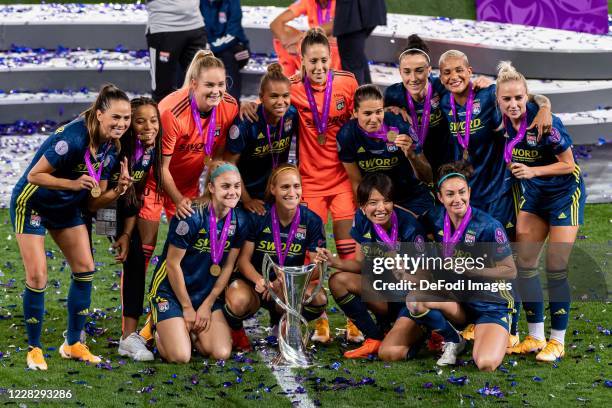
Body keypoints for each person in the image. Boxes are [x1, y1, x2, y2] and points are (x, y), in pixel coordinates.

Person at [241, 29, 361, 343]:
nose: (319, 67)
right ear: (302, 62)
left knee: (347, 251)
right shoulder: (291, 88)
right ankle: (318, 319)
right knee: (313, 257)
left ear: (331, 58)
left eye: (323, 60)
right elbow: (267, 104)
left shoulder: (347, 83)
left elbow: (363, 116)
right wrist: (247, 106)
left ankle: (354, 319)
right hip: (310, 183)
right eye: (312, 61)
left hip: (342, 182)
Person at [12, 85, 130, 370]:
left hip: (67, 207)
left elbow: (92, 203)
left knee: (85, 269)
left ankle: (73, 343)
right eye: (116, 117)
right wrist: (73, 184)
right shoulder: (73, 137)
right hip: (33, 204)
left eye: (126, 118)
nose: (122, 124)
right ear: (100, 114)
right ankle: (34, 348)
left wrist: (117, 191)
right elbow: (34, 175)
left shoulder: (111, 148)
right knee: (38, 275)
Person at [437, 49, 552, 343]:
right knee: (478, 260)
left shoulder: (488, 95)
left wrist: (545, 106)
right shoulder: (445, 103)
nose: (454, 77)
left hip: (500, 189)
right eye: (447, 72)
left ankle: (515, 328)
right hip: (470, 194)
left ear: (470, 70)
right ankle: (486, 319)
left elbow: (526, 97)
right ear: (440, 77)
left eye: (459, 70)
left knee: (510, 261)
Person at [495, 62, 586, 362]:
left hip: (564, 195)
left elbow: (568, 164)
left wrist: (533, 172)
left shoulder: (545, 121)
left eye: (518, 98)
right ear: (498, 100)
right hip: (534, 197)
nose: (513, 104)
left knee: (556, 266)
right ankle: (535, 336)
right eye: (506, 99)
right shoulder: (501, 119)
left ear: (527, 97)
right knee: (525, 263)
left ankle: (557, 341)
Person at [138, 50, 239, 284]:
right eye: (209, 84)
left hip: (188, 186)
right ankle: (130, 315)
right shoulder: (171, 111)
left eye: (221, 84)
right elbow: (160, 166)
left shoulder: (230, 106)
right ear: (194, 84)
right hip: (154, 182)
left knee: (187, 252)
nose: (217, 90)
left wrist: (207, 192)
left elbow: (219, 156)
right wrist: (177, 199)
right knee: (144, 250)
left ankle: (173, 307)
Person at [416, 162, 517, 370]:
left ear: (469, 192)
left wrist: (470, 268)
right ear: (440, 198)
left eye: (462, 192)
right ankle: (455, 338)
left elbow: (510, 271)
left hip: (490, 303)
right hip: (459, 300)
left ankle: (493, 331)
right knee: (416, 300)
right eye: (450, 194)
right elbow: (414, 226)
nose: (457, 199)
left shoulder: (489, 226)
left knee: (485, 363)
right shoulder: (434, 218)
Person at [316, 173, 427, 358]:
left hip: (411, 301)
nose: (381, 208)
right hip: (384, 295)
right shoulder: (361, 219)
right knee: (338, 280)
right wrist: (334, 261)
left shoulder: (410, 227)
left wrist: (402, 271)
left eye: (386, 201)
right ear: (362, 206)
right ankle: (374, 338)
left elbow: (425, 281)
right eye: (373, 202)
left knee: (392, 354)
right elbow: (360, 264)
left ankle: (421, 331)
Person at [147, 161, 249, 363]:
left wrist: (207, 303)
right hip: (172, 292)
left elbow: (228, 266)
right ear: (211, 187)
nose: (233, 192)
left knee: (220, 353)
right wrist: (186, 307)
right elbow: (172, 264)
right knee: (180, 357)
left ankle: (187, 333)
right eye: (225, 186)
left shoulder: (240, 220)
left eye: (237, 186)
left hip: (204, 294)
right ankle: (156, 327)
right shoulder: (191, 216)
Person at [88, 97, 163, 361]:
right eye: (140, 121)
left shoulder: (152, 147)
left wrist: (127, 232)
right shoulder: (118, 151)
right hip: (96, 204)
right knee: (84, 263)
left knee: (134, 256)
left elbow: (132, 198)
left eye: (153, 120)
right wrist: (116, 230)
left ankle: (127, 338)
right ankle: (78, 332)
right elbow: (101, 199)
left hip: (123, 205)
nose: (148, 126)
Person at [224, 164, 327, 351]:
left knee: (318, 298)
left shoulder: (312, 220)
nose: (292, 192)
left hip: (288, 286)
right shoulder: (258, 216)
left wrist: (288, 279)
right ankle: (236, 331)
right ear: (273, 189)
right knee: (238, 300)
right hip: (255, 285)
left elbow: (317, 267)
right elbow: (243, 260)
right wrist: (259, 280)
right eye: (285, 187)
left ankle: (283, 321)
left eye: (296, 186)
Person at [337, 84, 434, 217]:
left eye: (378, 112)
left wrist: (412, 155)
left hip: (412, 198)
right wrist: (363, 212)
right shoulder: (347, 135)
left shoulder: (400, 124)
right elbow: (356, 182)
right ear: (355, 113)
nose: (374, 119)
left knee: (419, 235)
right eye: (367, 113)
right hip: (378, 203)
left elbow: (427, 177)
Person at [224, 63, 298, 214]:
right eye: (274, 96)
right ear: (261, 98)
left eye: (285, 96)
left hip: (274, 193)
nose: (281, 102)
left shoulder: (292, 115)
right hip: (244, 194)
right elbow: (229, 165)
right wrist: (245, 200)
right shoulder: (246, 122)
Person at [383, 34, 452, 175]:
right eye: (407, 72)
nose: (413, 78)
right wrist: (386, 111)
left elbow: (467, 96)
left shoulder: (442, 86)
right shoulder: (393, 94)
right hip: (413, 166)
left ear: (429, 70)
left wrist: (482, 84)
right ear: (400, 72)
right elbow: (386, 131)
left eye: (419, 71)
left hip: (446, 162)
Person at [146, 0, 208, 102]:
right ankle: (164, 117)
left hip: (195, 25)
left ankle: (198, 118)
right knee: (163, 91)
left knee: (203, 86)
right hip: (164, 27)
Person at [270, 0, 341, 77]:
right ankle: (287, 78)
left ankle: (334, 80)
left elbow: (337, 24)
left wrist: (302, 37)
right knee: (282, 32)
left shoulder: (342, 3)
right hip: (312, 47)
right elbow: (275, 23)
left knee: (332, 37)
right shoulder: (308, 1)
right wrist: (287, 43)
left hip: (336, 51)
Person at [200, 0, 251, 102]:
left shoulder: (232, 2)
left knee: (229, 56)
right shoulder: (198, 3)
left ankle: (232, 105)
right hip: (208, 46)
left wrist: (210, 48)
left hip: (233, 47)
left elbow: (233, 34)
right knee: (186, 55)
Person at [333, 0, 386, 85]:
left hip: (353, 12)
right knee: (355, 57)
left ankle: (358, 96)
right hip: (367, 9)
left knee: (352, 61)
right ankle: (369, 96)